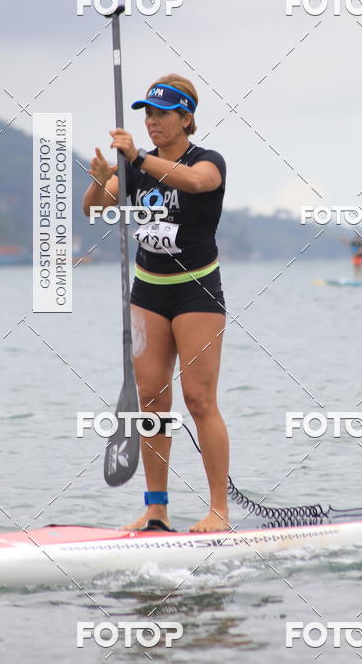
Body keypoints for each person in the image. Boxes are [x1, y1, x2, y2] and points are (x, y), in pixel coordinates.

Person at [82, 74, 230, 533]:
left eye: (162, 114)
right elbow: (97, 210)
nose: (152, 122)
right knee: (151, 402)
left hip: (196, 291)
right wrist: (102, 181)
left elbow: (195, 182)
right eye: (147, 114)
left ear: (187, 119)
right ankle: (156, 509)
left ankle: (219, 510)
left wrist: (140, 159)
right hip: (148, 290)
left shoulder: (208, 161)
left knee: (199, 399)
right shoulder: (134, 167)